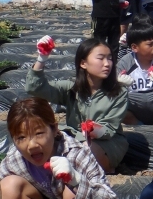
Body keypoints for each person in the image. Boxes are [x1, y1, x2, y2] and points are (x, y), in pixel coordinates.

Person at [26, 37, 128, 173]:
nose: (107, 63)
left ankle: (107, 167)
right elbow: (35, 89)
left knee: (85, 151)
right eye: (101, 58)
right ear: (83, 63)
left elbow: (109, 129)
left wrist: (93, 130)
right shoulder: (72, 89)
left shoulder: (118, 92)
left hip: (107, 142)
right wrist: (42, 58)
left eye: (109, 58)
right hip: (74, 140)